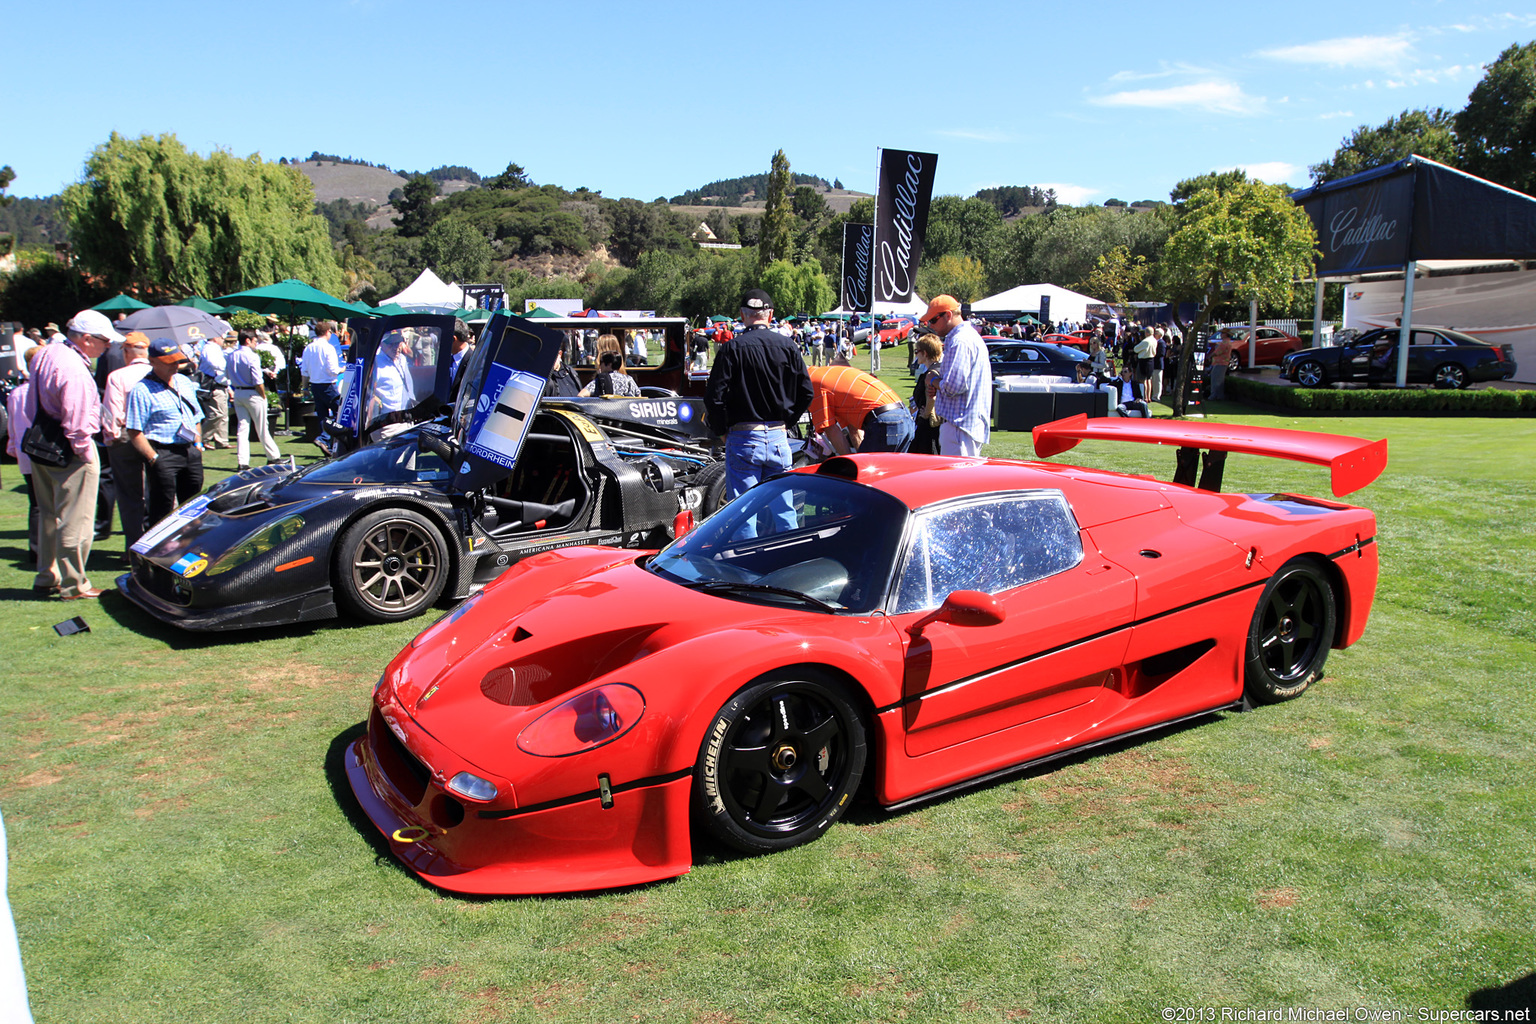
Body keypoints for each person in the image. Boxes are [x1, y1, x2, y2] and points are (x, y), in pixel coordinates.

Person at [704, 288, 812, 532]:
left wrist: (721, 430)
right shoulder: (788, 346)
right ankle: (791, 563)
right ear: (770, 315)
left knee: (743, 513)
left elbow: (714, 397)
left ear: (743, 315)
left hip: (743, 435)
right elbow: (807, 393)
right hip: (777, 435)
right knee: (785, 510)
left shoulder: (732, 349)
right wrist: (788, 420)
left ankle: (746, 567)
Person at [30, 309, 120, 600]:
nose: (107, 347)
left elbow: (33, 399)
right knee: (75, 519)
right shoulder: (74, 369)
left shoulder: (49, 352)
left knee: (48, 515)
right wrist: (84, 453)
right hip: (70, 448)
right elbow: (78, 419)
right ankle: (74, 583)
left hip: (42, 440)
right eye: (104, 341)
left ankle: (48, 575)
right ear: (85, 339)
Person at [125, 339, 205, 527]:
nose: (175, 366)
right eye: (169, 362)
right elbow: (134, 430)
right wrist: (154, 458)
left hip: (189, 449)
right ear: (152, 361)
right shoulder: (142, 390)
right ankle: (160, 550)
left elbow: (196, 417)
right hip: (163, 452)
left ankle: (190, 543)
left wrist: (198, 444)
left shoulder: (184, 382)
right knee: (162, 506)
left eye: (177, 361)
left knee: (194, 503)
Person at [100, 332, 154, 551]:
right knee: (159, 491)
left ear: (126, 351)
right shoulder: (155, 372)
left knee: (129, 494)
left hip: (125, 435)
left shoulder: (117, 376)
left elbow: (111, 411)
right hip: (154, 436)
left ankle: (133, 545)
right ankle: (157, 544)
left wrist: (110, 437)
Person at [922, 296, 991, 458]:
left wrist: (933, 380)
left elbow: (954, 386)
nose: (931, 326)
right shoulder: (966, 337)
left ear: (948, 315)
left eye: (933, 320)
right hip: (964, 425)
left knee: (958, 480)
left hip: (959, 426)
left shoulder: (960, 341)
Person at [807, 364, 913, 454]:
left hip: (885, 420)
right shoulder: (827, 374)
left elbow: (831, 430)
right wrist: (858, 459)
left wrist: (851, 466)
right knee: (889, 475)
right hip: (904, 417)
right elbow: (854, 430)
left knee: (868, 476)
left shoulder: (811, 383)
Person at [5, 346, 45, 564]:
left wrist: (12, 445)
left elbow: (12, 424)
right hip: (43, 451)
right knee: (46, 503)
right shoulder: (38, 390)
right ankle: (46, 550)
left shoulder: (17, 393)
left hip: (24, 451)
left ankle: (37, 550)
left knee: (36, 502)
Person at [228, 329, 281, 469]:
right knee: (262, 427)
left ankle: (243, 462)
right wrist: (263, 395)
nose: (256, 344)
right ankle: (273, 457)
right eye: (255, 341)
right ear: (248, 340)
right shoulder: (252, 356)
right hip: (252, 393)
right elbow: (258, 381)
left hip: (238, 392)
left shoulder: (231, 355)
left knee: (243, 428)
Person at [300, 321, 343, 423]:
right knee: (339, 411)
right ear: (328, 331)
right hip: (328, 385)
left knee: (322, 414)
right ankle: (333, 436)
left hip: (315, 385)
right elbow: (334, 370)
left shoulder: (308, 348)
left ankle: (324, 437)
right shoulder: (328, 348)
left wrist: (305, 387)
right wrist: (345, 368)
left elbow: (304, 371)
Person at [910, 335, 943, 456]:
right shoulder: (940, 369)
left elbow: (931, 397)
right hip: (938, 424)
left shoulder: (930, 374)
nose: (915, 355)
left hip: (928, 425)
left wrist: (926, 414)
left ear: (925, 353)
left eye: (916, 351)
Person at [197, 334, 231, 448]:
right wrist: (229, 364)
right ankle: (203, 437)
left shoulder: (215, 349)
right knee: (217, 414)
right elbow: (218, 365)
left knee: (223, 415)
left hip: (221, 384)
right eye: (222, 338)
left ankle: (222, 440)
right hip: (213, 385)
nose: (223, 341)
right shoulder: (210, 348)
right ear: (216, 338)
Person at [1208, 329, 1236, 401]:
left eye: (1222, 333)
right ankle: (1219, 396)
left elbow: (1217, 352)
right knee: (1219, 380)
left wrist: (1210, 356)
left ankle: (1214, 395)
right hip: (1222, 363)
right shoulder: (1227, 342)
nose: (1221, 335)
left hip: (1220, 363)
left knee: (1215, 379)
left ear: (1225, 334)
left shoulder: (1224, 343)